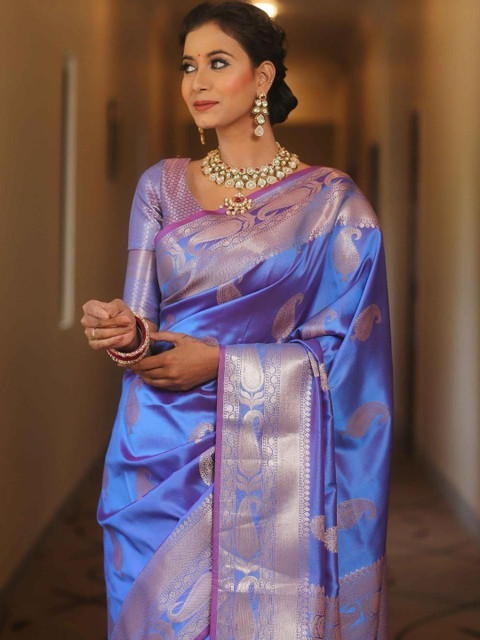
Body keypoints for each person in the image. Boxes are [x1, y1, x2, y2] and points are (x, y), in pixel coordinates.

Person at [81, 2, 393, 638]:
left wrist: (221, 364)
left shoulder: (333, 205)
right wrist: (123, 332)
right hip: (158, 453)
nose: (196, 81)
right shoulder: (161, 187)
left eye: (217, 63)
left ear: (262, 77)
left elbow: (351, 356)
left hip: (276, 461)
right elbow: (143, 327)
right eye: (187, 66)